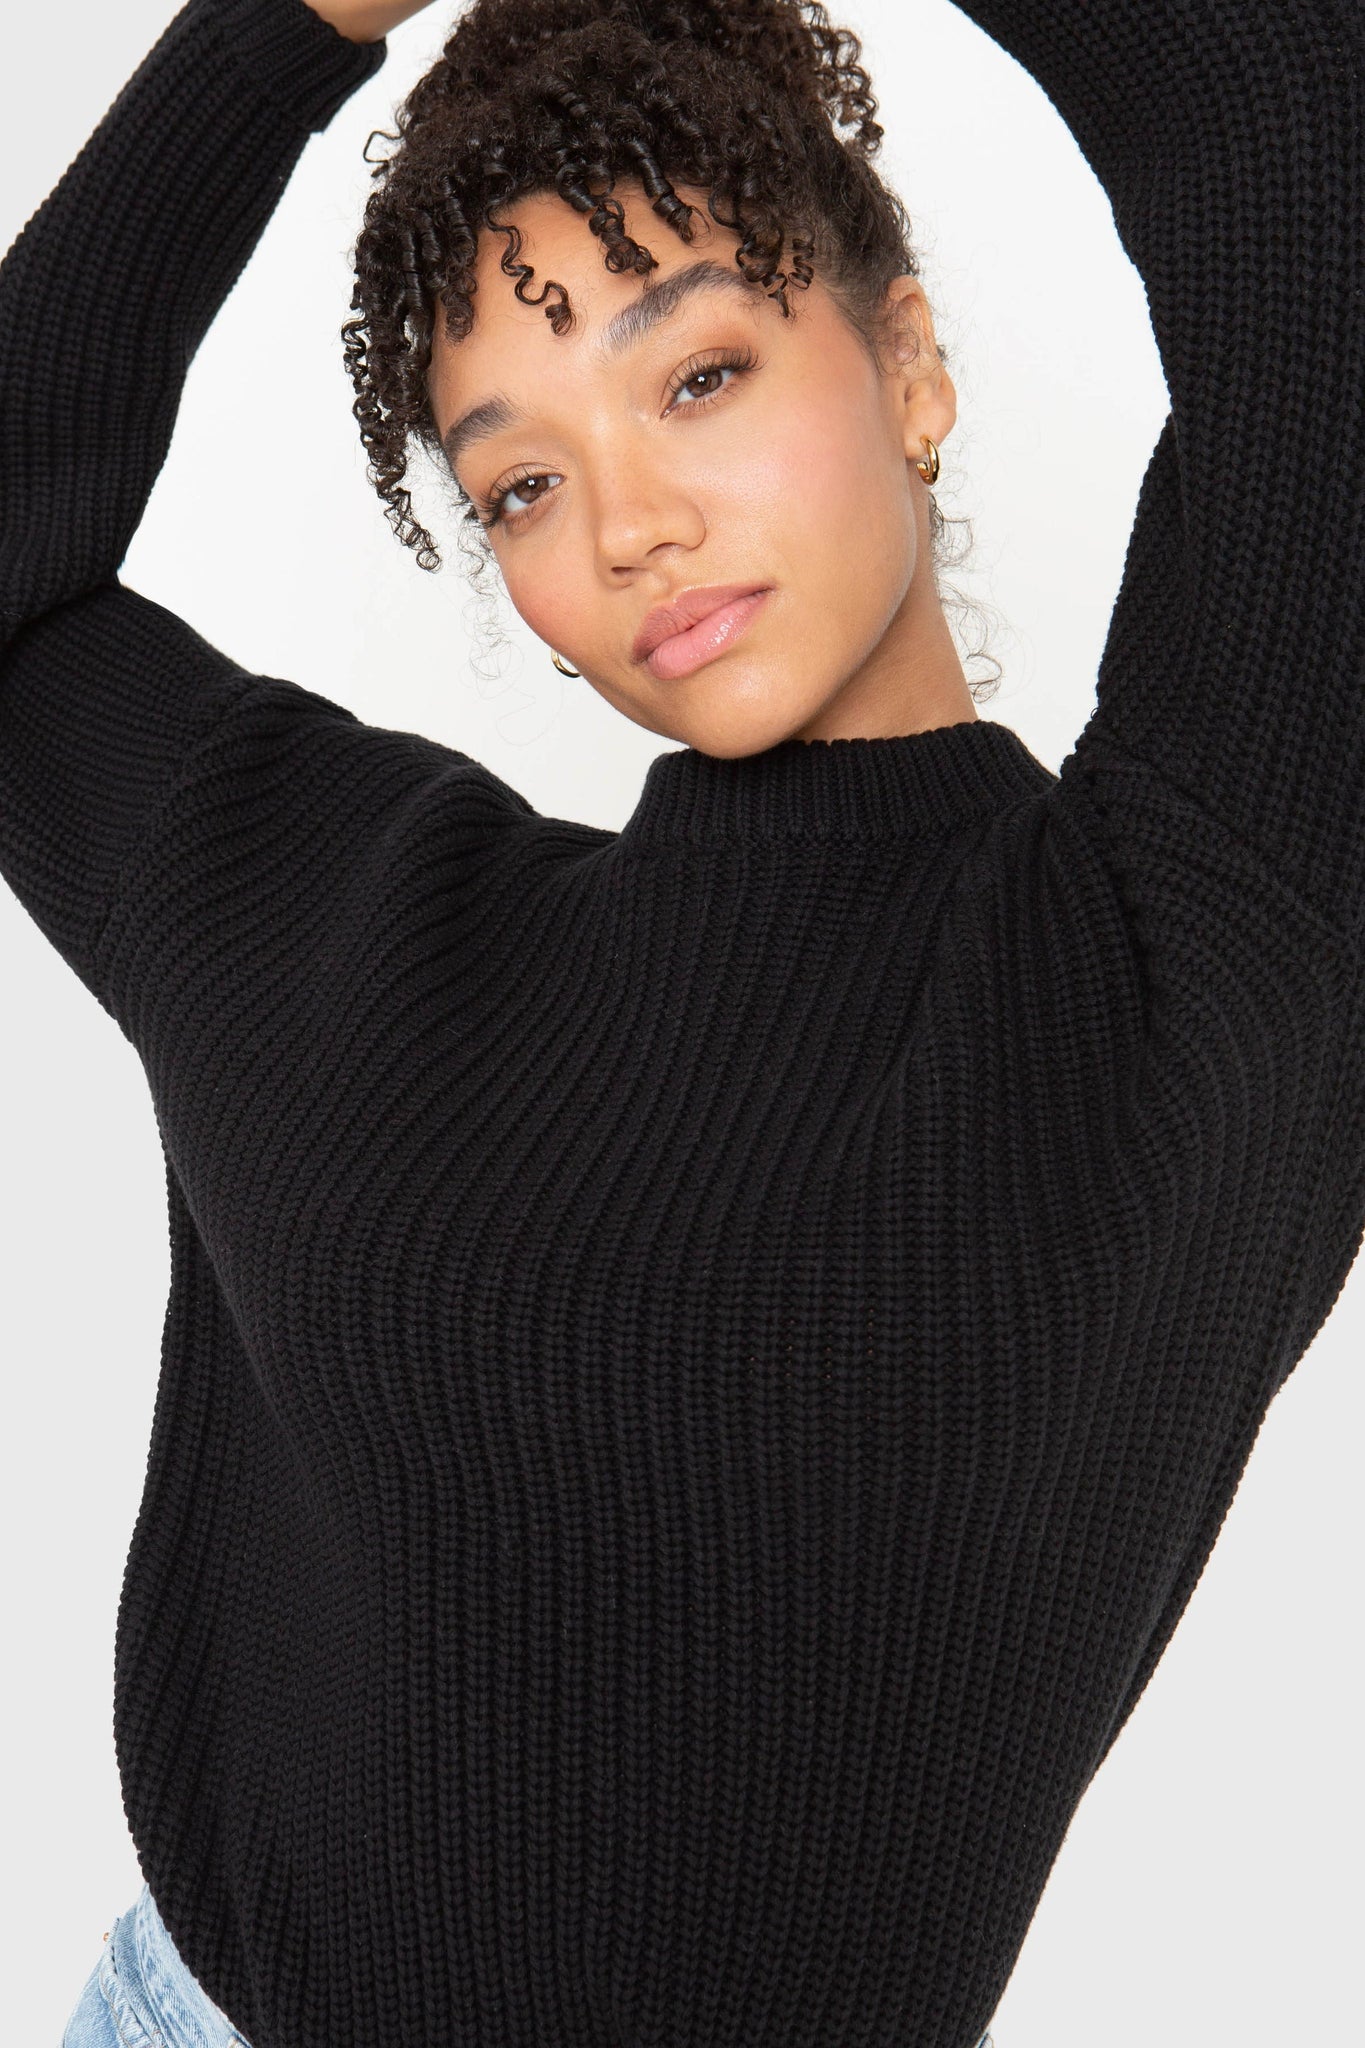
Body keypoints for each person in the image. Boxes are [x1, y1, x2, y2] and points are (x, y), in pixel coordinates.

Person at [2, 0, 1359, 2044]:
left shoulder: (1194, 954)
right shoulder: (343, 917)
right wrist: (280, 31)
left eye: (698, 374)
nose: (625, 520)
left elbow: (1305, 137)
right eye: (520, 483)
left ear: (907, 363)